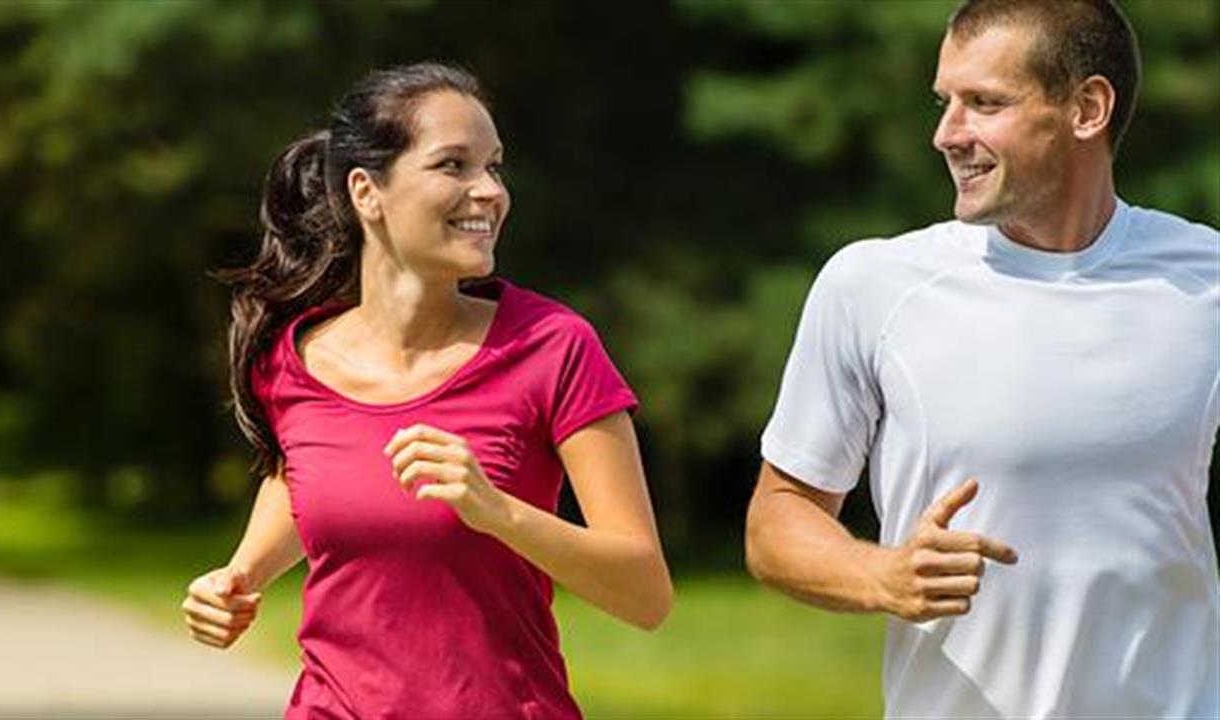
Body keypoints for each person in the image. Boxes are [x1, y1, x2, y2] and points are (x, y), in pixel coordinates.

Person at [745, 0, 1218, 717]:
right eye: (945, 102)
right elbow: (776, 523)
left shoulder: (1206, 280)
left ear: (1087, 108)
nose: (946, 134)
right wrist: (884, 576)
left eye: (985, 103)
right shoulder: (872, 286)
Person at [180, 63, 673, 719]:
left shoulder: (553, 347)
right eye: (453, 165)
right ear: (367, 191)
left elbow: (645, 595)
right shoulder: (295, 361)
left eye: (494, 167)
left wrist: (498, 512)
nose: (489, 191)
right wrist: (241, 574)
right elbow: (305, 473)